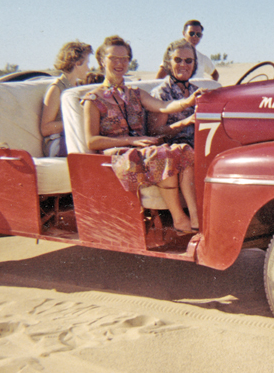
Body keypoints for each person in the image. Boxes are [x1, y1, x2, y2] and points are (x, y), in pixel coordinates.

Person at [83, 35, 203, 233]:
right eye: (114, 58)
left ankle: (196, 218)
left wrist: (187, 102)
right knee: (162, 154)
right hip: (117, 153)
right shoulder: (93, 99)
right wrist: (132, 140)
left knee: (183, 150)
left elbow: (164, 106)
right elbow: (92, 141)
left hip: (143, 150)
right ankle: (179, 219)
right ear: (102, 61)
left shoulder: (135, 93)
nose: (120, 63)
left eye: (124, 58)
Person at [40, 40, 92, 157]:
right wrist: (76, 121)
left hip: (73, 137)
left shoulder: (78, 87)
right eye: (86, 63)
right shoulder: (56, 88)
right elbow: (45, 128)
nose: (88, 69)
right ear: (77, 63)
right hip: (57, 142)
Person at [148, 39, 199, 147]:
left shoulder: (196, 91)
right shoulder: (161, 93)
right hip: (174, 150)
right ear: (168, 63)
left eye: (189, 60)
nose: (183, 64)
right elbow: (155, 133)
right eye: (178, 60)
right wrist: (186, 121)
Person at [155, 20, 219, 81]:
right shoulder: (174, 54)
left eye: (198, 34)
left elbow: (215, 75)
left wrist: (210, 89)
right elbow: (159, 78)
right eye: (191, 33)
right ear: (184, 33)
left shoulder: (203, 58)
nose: (195, 36)